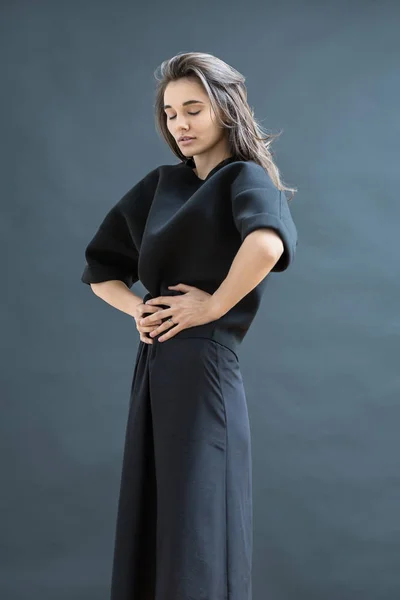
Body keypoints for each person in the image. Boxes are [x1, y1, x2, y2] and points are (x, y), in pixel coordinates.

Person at [81, 51, 298, 600]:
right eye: (171, 113)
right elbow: (100, 270)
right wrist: (140, 310)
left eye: (193, 110)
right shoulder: (161, 186)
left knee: (199, 524)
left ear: (225, 108)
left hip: (204, 370)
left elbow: (267, 242)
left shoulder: (244, 178)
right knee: (154, 517)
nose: (180, 124)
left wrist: (214, 305)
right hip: (155, 370)